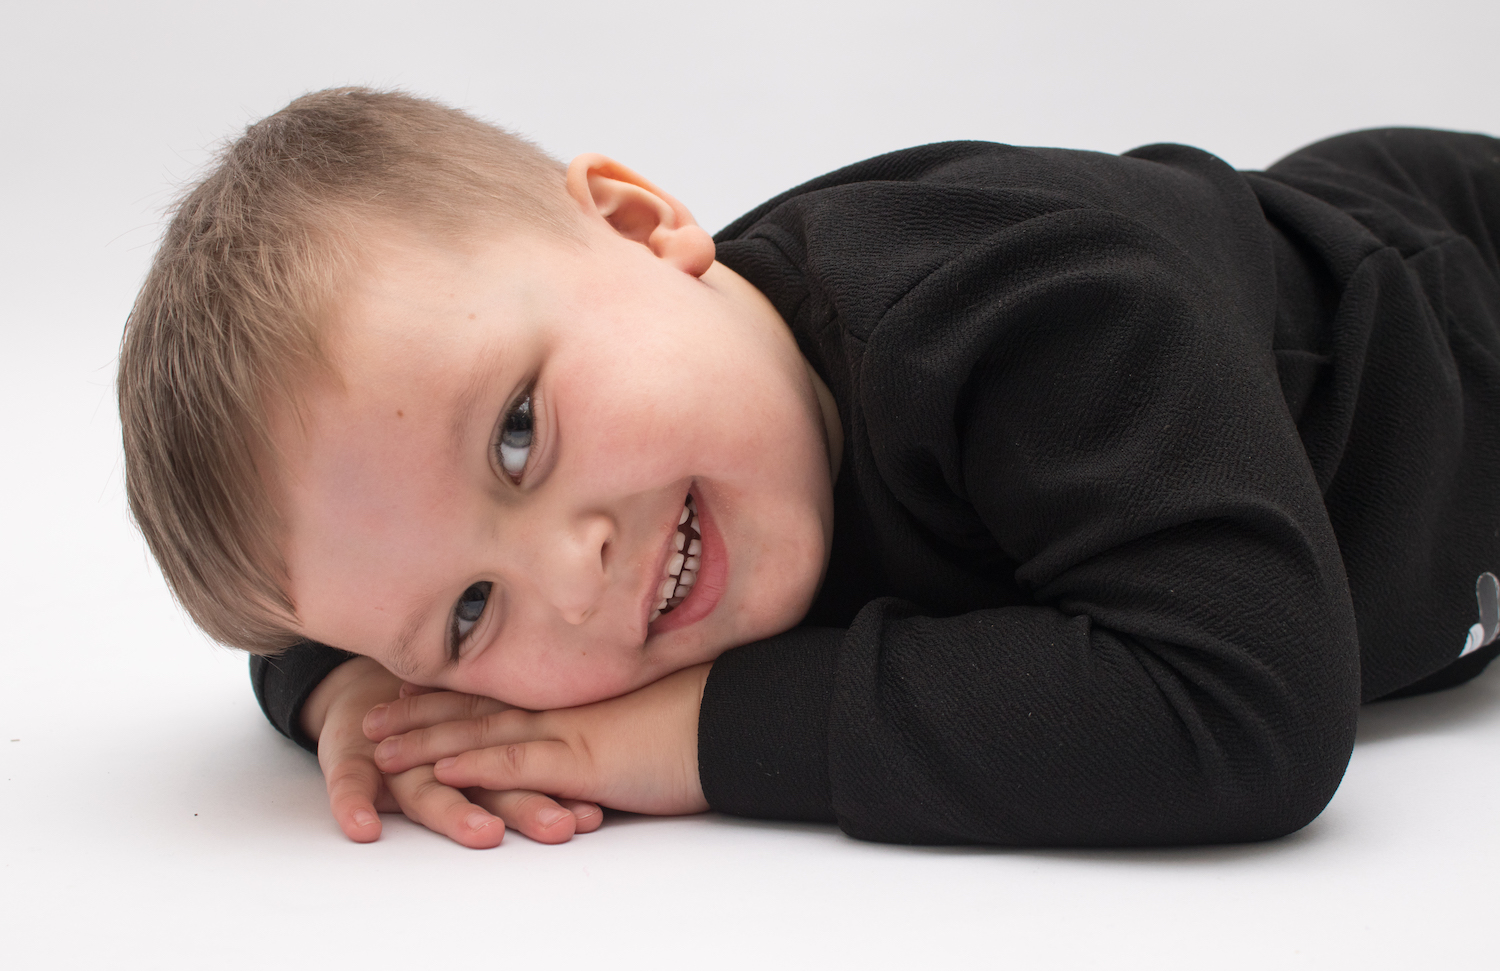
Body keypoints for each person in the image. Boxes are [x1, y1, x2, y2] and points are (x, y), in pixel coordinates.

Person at [118, 87, 1500, 850]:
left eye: (520, 435)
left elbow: (1248, 710)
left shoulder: (1037, 311)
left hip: (1450, 312)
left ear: (641, 221)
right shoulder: (534, 510)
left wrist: (693, 737)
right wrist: (357, 699)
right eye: (470, 616)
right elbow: (326, 594)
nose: (568, 573)